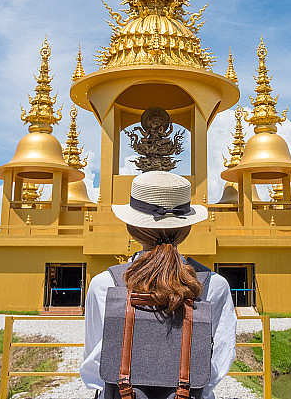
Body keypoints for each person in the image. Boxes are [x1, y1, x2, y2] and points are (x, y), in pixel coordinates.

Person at [80, 171, 237, 399]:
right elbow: (220, 358)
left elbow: (95, 360)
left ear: (131, 226)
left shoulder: (105, 284)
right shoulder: (213, 285)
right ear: (186, 228)